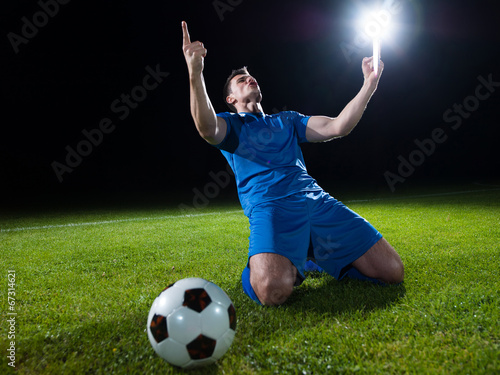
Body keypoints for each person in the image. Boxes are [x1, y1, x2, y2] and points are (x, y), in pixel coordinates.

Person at [181, 21, 404, 306]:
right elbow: (205, 127)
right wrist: (195, 73)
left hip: (316, 200)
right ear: (230, 99)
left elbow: (338, 126)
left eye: (251, 77)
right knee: (273, 292)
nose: (250, 80)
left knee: (392, 272)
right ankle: (264, 266)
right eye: (241, 80)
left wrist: (369, 84)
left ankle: (316, 256)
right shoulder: (231, 126)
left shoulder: (287, 120)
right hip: (271, 207)